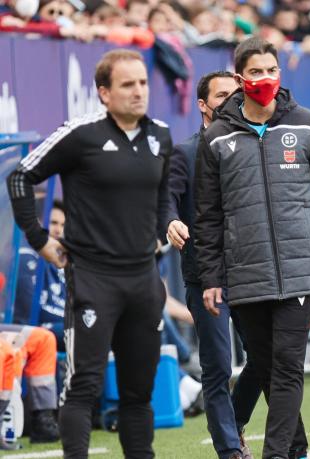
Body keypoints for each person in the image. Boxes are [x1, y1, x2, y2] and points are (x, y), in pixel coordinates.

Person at [194, 37, 310, 459]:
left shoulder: (307, 124)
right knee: (267, 368)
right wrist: (211, 277)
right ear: (239, 78)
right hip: (246, 274)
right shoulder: (215, 139)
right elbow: (207, 216)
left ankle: (275, 454)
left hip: (301, 269)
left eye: (271, 71)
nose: (264, 79)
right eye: (255, 72)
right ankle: (298, 448)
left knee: (287, 367)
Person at [6, 49, 172, 458]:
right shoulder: (80, 134)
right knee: (84, 386)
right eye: (127, 85)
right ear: (103, 92)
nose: (138, 92)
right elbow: (20, 176)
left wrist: (161, 232)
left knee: (139, 391)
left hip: (144, 280)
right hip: (93, 279)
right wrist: (39, 238)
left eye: (143, 83)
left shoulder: (160, 135)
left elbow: (167, 191)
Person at [167, 70, 307, 459]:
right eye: (222, 95)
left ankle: (239, 421)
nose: (231, 100)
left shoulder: (250, 144)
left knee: (266, 360)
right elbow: (167, 197)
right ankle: (230, 451)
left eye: (236, 93)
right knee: (217, 366)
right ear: (202, 105)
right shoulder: (186, 152)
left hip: (251, 271)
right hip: (205, 275)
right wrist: (170, 221)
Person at [15, 200, 67, 350]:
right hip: (32, 331)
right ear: (38, 223)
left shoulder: (58, 262)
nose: (58, 230)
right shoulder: (25, 257)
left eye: (63, 225)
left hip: (56, 328)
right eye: (53, 223)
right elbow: (32, 311)